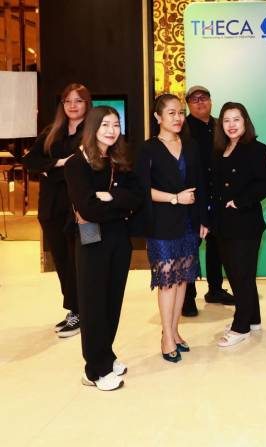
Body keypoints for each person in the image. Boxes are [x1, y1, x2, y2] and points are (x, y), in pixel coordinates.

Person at [64, 106, 143, 391]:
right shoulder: (77, 163)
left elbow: (137, 198)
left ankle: (106, 355)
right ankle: (94, 370)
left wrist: (109, 197)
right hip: (91, 240)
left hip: (119, 239)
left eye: (116, 125)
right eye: (105, 125)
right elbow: (88, 209)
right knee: (93, 304)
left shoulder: (120, 160)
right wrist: (119, 204)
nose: (111, 130)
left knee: (112, 301)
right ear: (93, 128)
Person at [134, 94, 209, 363]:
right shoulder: (148, 149)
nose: (178, 118)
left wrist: (203, 219)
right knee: (167, 281)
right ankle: (166, 336)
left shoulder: (190, 145)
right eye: (171, 113)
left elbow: (201, 183)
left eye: (180, 113)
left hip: (188, 222)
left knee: (182, 279)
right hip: (161, 223)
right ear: (158, 117)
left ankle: (175, 330)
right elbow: (142, 190)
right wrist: (175, 198)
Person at [23, 83, 91, 338]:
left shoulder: (92, 132)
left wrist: (49, 169)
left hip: (78, 209)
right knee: (62, 261)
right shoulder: (52, 131)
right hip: (51, 208)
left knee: (79, 262)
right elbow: (30, 161)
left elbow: (90, 167)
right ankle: (74, 309)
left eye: (78, 100)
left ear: (87, 104)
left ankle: (83, 311)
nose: (72, 105)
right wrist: (60, 163)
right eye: (67, 101)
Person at [210, 102, 266, 348]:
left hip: (245, 224)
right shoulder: (220, 150)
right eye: (226, 120)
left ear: (245, 122)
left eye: (236, 119)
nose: (231, 125)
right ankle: (253, 319)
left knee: (241, 275)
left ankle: (241, 326)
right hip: (223, 224)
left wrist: (240, 201)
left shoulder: (256, 149)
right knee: (238, 274)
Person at [182, 85, 235, 317]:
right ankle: (187, 297)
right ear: (188, 104)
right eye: (194, 99)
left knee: (216, 245)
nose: (200, 102)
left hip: (218, 193)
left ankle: (215, 290)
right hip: (193, 194)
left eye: (204, 98)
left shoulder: (220, 125)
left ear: (211, 101)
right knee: (190, 246)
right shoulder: (183, 127)